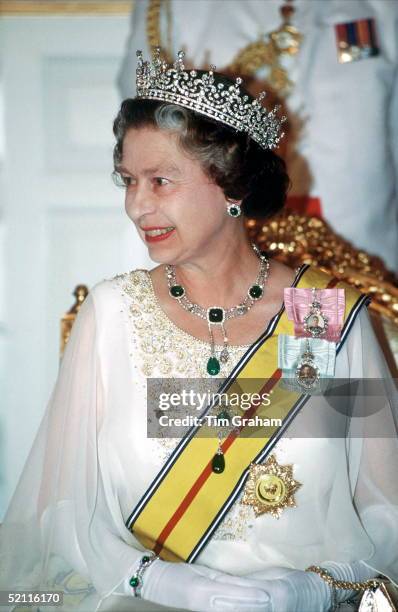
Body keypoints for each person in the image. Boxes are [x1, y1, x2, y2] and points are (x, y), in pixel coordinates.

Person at [0, 48, 397, 612]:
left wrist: (314, 588)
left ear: (231, 186)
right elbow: (62, 506)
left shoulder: (320, 315)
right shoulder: (112, 314)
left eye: (161, 180)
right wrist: (153, 581)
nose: (138, 206)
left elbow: (386, 511)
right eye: (128, 181)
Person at [118, 0, 398, 272]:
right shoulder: (172, 7)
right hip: (224, 235)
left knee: (337, 315)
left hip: (355, 234)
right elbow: (148, 125)